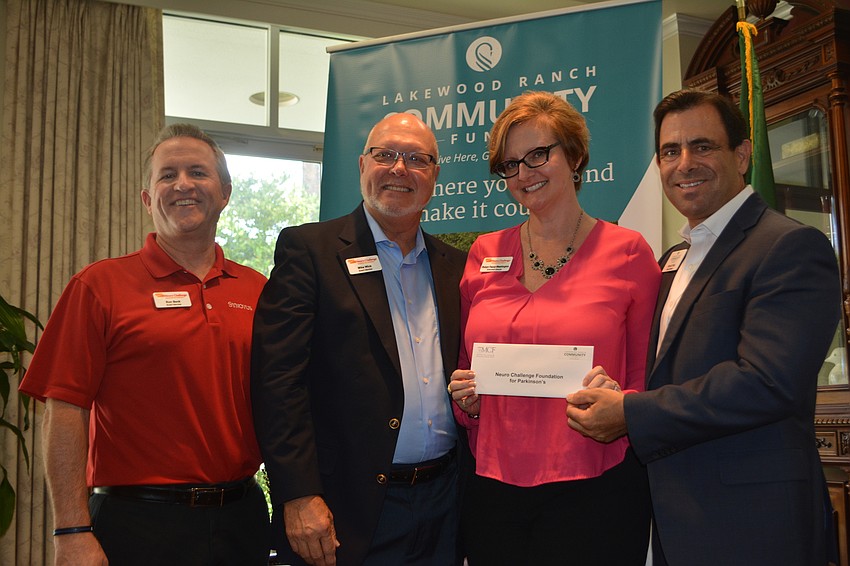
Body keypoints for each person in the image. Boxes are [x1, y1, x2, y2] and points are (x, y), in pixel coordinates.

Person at [566, 89, 841, 565]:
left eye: (702, 146)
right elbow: (666, 370)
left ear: (742, 155)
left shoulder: (791, 247)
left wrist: (631, 413)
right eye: (670, 151)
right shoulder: (673, 258)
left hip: (754, 526)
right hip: (674, 520)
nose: (684, 162)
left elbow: (767, 382)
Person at [18, 124, 271, 565]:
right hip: (135, 524)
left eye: (197, 172)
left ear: (225, 192)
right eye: (167, 175)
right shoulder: (98, 286)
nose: (183, 184)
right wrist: (72, 530)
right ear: (147, 198)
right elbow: (63, 412)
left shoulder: (259, 290)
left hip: (241, 519)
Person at [447, 90, 661, 565]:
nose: (524, 173)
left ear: (576, 155)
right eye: (510, 164)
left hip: (595, 484)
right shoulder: (485, 253)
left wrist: (622, 402)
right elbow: (466, 370)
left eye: (539, 154)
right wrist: (468, 400)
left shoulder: (628, 253)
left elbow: (647, 379)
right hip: (494, 490)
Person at [251, 112, 469, 566]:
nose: (399, 169)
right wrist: (298, 494)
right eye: (385, 155)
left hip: (446, 504)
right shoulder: (309, 251)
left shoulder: (456, 267)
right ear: (362, 165)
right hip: (345, 508)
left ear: (435, 175)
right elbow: (277, 384)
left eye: (416, 159)